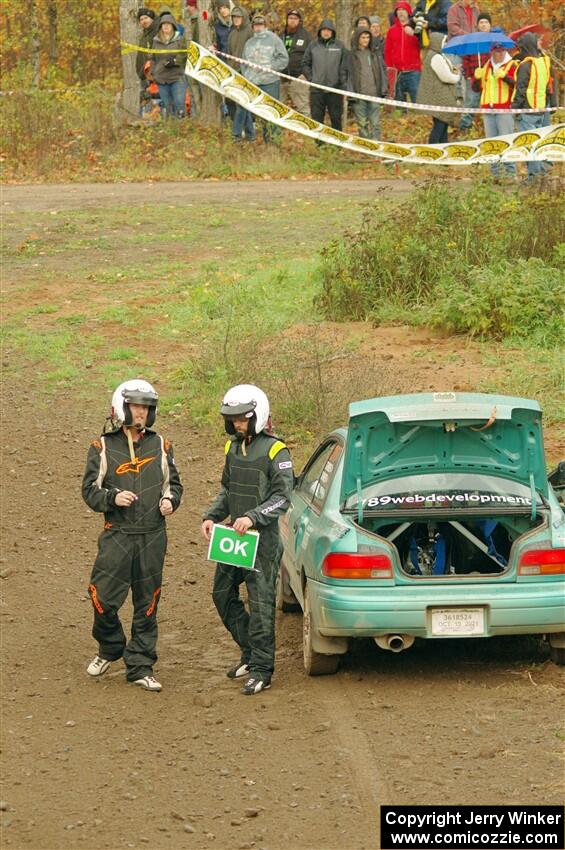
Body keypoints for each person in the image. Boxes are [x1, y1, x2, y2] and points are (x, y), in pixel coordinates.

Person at [82, 380, 183, 692]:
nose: (141, 413)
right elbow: (89, 491)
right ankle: (111, 647)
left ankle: (140, 665)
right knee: (101, 597)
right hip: (118, 534)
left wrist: (170, 501)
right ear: (121, 407)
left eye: (146, 408)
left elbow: (174, 485)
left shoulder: (162, 445)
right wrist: (113, 498)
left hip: (153, 536)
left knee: (147, 603)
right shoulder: (101, 446)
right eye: (136, 406)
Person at [201, 385, 293, 696]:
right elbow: (227, 491)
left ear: (257, 416)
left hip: (262, 542)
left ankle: (262, 670)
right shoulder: (232, 448)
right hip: (233, 538)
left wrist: (253, 517)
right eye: (233, 420)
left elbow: (283, 497)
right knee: (221, 594)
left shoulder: (276, 451)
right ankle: (251, 652)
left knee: (262, 604)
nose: (238, 425)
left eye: (243, 419)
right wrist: (210, 516)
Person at [513, 31, 554, 182]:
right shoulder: (543, 62)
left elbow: (521, 88)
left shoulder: (526, 65)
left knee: (529, 143)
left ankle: (534, 176)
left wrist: (515, 108)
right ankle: (540, 173)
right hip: (541, 108)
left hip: (528, 108)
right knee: (538, 142)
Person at [240, 14, 288, 143]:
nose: (258, 27)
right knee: (258, 114)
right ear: (252, 27)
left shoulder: (274, 40)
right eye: (256, 25)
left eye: (261, 24)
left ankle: (275, 140)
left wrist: (271, 67)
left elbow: (284, 58)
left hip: (270, 82)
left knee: (271, 111)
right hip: (253, 82)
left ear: (265, 25)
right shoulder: (249, 43)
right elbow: (243, 62)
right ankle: (264, 140)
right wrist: (247, 76)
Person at [473, 42, 517, 179]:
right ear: (492, 52)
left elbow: (517, 86)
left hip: (504, 108)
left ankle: (510, 174)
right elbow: (476, 89)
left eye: (502, 51)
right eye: (497, 51)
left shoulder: (512, 65)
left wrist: (505, 77)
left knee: (506, 140)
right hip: (488, 109)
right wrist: (476, 78)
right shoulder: (485, 66)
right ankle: (495, 174)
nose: (500, 53)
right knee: (491, 142)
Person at [302, 19, 349, 132]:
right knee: (317, 119)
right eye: (324, 30)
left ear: (333, 32)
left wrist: (343, 86)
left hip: (335, 90)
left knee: (336, 118)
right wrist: (311, 78)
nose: (326, 32)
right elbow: (305, 63)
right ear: (320, 31)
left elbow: (345, 67)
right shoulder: (313, 45)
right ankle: (320, 145)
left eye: (329, 30)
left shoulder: (340, 46)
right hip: (316, 90)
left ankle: (337, 144)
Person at [417, 31, 461, 143]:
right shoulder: (436, 57)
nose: (446, 44)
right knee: (439, 128)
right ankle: (432, 151)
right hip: (440, 99)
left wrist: (453, 70)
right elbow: (446, 77)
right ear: (438, 43)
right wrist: (457, 75)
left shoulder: (437, 56)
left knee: (443, 128)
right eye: (444, 42)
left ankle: (442, 150)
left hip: (440, 98)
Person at [348, 26, 388, 140]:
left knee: (375, 123)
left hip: (374, 93)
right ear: (357, 38)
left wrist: (384, 88)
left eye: (367, 37)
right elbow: (347, 75)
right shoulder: (351, 55)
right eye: (363, 37)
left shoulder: (375, 54)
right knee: (362, 123)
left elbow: (382, 71)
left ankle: (376, 146)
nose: (366, 40)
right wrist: (349, 91)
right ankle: (365, 147)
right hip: (358, 94)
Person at [151, 13, 189, 118]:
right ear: (160, 27)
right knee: (168, 106)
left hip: (177, 77)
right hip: (161, 78)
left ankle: (182, 128)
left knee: (179, 104)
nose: (166, 26)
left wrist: (175, 61)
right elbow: (152, 58)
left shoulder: (180, 39)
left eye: (168, 24)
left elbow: (185, 56)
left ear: (173, 25)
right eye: (164, 24)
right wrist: (153, 72)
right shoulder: (155, 41)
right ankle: (171, 130)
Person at [384, 1, 422, 105]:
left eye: (403, 10)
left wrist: (415, 34)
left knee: (417, 102)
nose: (401, 12)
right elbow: (387, 51)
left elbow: (423, 45)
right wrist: (390, 68)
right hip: (397, 72)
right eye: (398, 10)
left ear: (409, 12)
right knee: (399, 104)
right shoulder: (391, 30)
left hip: (413, 71)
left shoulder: (416, 29)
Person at [459, 11, 491, 129]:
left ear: (490, 25)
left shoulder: (494, 41)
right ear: (477, 25)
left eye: (486, 22)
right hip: (473, 77)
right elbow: (466, 59)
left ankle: (484, 127)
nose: (483, 24)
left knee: (488, 103)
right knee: (471, 102)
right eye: (481, 22)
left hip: (489, 78)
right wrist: (468, 75)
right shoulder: (472, 40)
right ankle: (464, 127)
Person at [280, 10, 312, 116]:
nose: (292, 21)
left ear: (299, 21)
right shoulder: (281, 36)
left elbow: (311, 57)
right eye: (290, 18)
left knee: (304, 108)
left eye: (295, 19)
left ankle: (307, 131)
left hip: (298, 78)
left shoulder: (306, 36)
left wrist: (305, 74)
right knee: (279, 108)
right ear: (287, 20)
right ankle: (276, 132)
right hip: (281, 78)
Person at [226, 5, 253, 127]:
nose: (236, 19)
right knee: (230, 100)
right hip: (233, 71)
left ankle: (248, 127)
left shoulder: (250, 31)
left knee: (243, 102)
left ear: (244, 18)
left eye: (238, 17)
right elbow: (229, 53)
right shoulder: (232, 33)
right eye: (234, 17)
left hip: (246, 72)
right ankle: (237, 125)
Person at [136, 8, 160, 87]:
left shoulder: (158, 30)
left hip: (156, 75)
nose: (144, 21)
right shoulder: (145, 34)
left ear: (151, 18)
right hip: (145, 76)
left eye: (146, 18)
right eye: (141, 19)